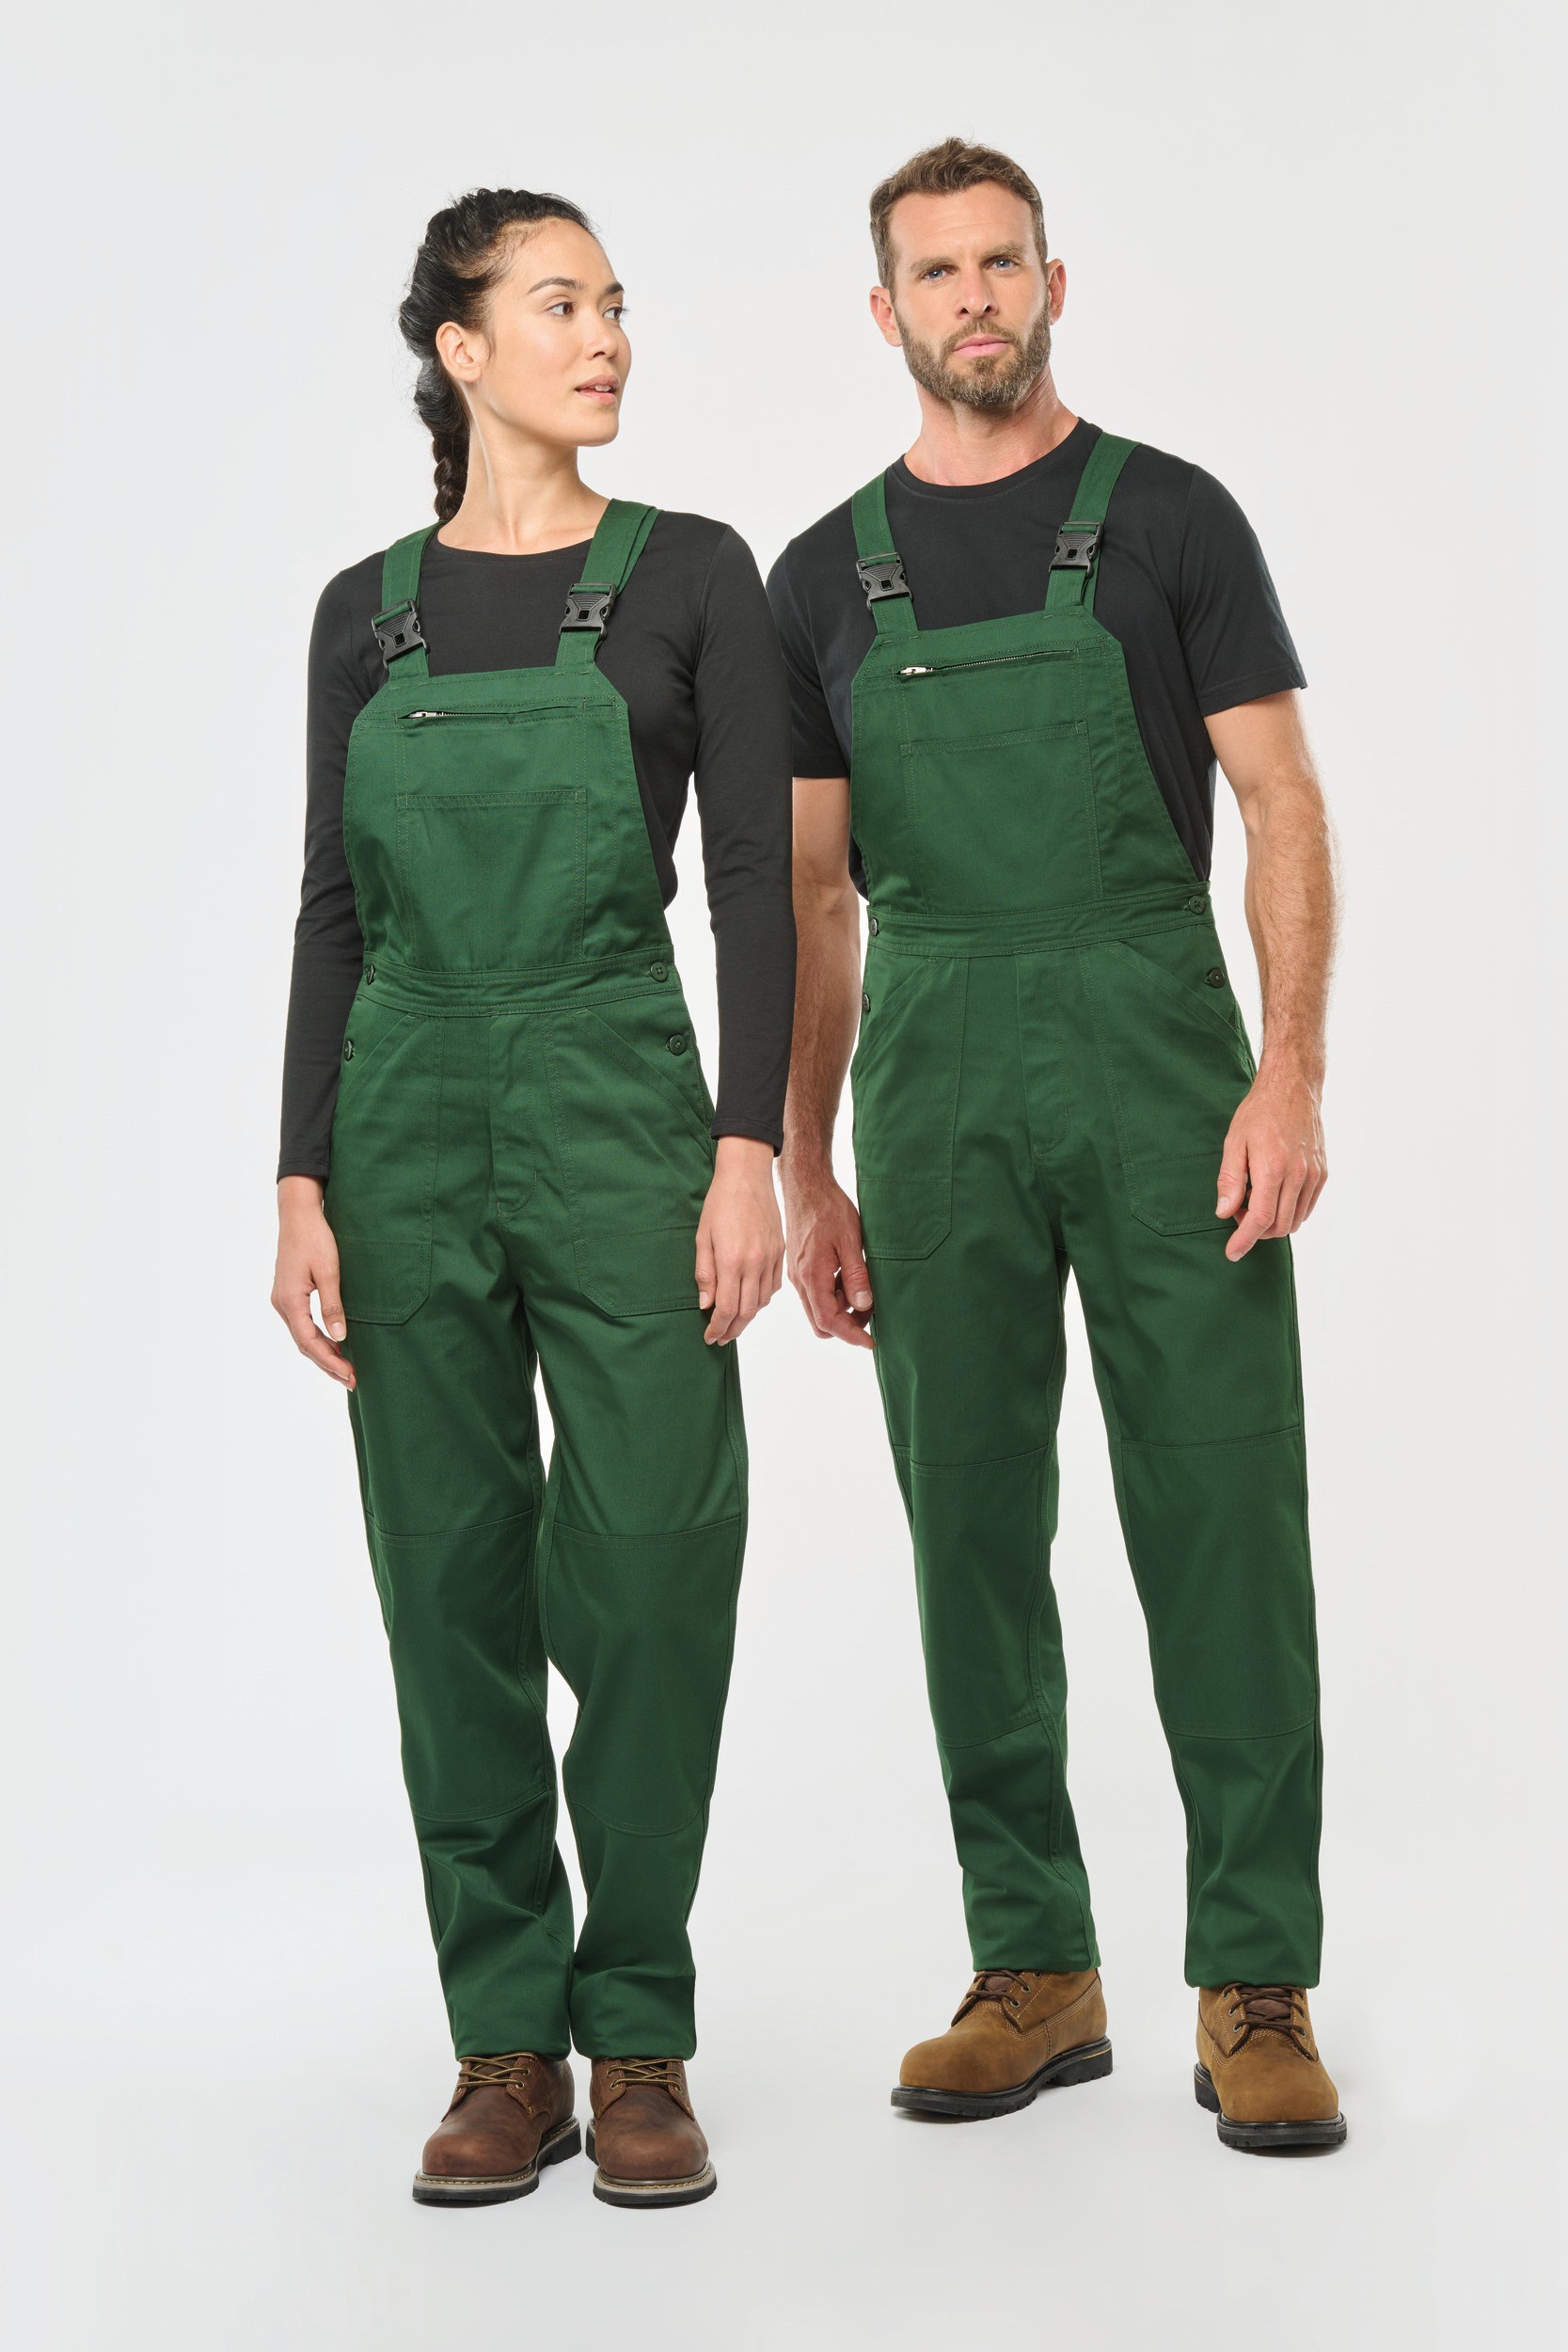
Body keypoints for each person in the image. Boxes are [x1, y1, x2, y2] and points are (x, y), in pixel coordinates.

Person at [769, 138, 1345, 2154]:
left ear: (1054, 282)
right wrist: (805, 1161)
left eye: (1002, 263)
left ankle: (1254, 1976)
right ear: (886, 310)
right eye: (937, 272)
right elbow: (814, 895)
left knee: (1224, 1510)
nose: (975, 299)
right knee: (968, 1530)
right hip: (933, 1075)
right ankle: (1034, 1963)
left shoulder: (1172, 517)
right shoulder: (821, 576)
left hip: (1160, 1057)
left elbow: (1281, 801)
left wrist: (1289, 1070)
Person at [273, 187, 794, 2208]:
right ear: (461, 347)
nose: (607, 337)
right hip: (403, 1106)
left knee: (657, 1550)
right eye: (561, 304)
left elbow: (750, 879)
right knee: (447, 1577)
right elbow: (330, 904)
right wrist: (300, 1171)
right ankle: (510, 2040)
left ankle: (638, 2024)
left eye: (615, 304)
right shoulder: (364, 611)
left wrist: (745, 1145)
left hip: (615, 1092)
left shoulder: (693, 576)